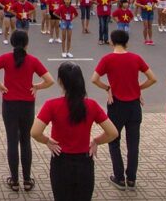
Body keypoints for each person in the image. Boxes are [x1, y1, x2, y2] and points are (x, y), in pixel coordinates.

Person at [30, 63, 117, 201]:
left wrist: (47, 141)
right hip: (85, 162)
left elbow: (35, 132)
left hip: (61, 161)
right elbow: (113, 132)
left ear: (60, 82)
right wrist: (96, 141)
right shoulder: (92, 105)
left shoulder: (51, 105)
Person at [0, 29, 54, 190]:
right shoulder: (33, 60)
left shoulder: (6, 58)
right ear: (26, 44)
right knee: (25, 141)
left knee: (12, 141)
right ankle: (27, 180)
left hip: (9, 104)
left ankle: (14, 181)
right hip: (27, 105)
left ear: (12, 43)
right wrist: (37, 86)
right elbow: (49, 80)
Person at [91, 28, 157, 191]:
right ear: (127, 42)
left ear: (111, 42)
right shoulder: (136, 58)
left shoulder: (107, 59)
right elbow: (152, 78)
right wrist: (138, 88)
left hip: (116, 105)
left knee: (114, 139)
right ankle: (132, 178)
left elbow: (94, 79)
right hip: (134, 106)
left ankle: (119, 177)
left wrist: (108, 88)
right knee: (133, 144)